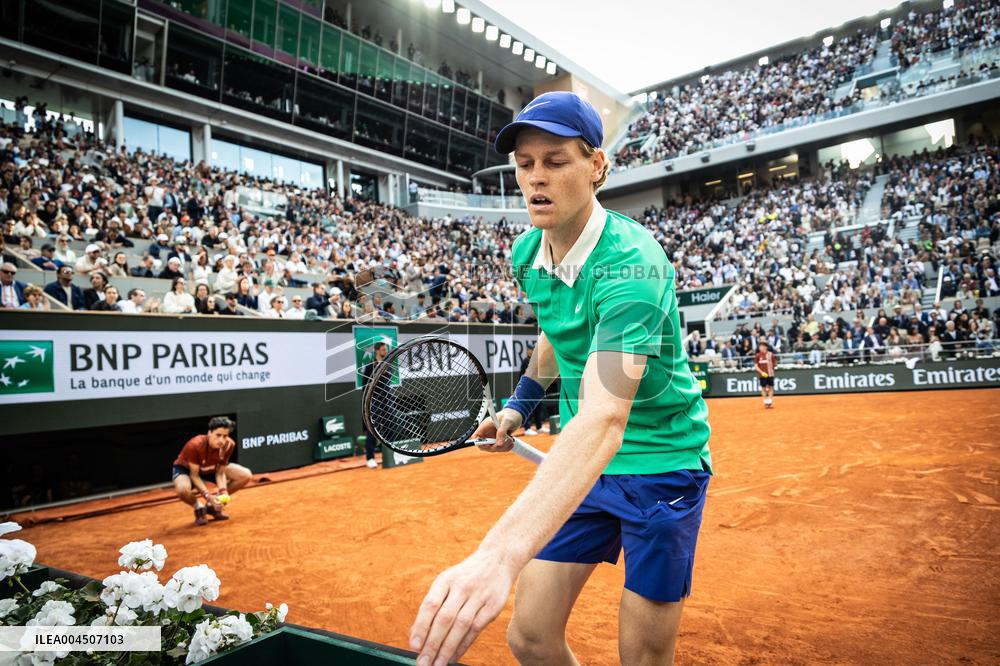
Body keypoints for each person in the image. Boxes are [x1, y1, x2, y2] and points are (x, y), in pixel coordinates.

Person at [410, 92, 712, 666]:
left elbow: (605, 416)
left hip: (661, 465)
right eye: (525, 164)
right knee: (529, 637)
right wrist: (520, 406)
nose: (536, 178)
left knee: (643, 660)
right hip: (584, 466)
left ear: (597, 165)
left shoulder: (633, 265)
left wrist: (499, 555)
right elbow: (557, 333)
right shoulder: (527, 252)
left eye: (555, 161)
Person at [171, 416, 252, 526]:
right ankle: (199, 508)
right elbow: (194, 475)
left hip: (211, 467)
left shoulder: (229, 445)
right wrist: (208, 496)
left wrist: (223, 493)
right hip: (187, 469)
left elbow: (220, 472)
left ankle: (212, 507)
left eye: (225, 436)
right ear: (209, 433)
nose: (221, 440)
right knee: (182, 489)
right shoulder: (195, 445)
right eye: (218, 435)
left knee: (245, 475)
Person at [359, 341, 389, 469]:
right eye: (383, 349)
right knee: (372, 431)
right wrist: (370, 402)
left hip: (387, 401)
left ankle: (390, 456)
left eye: (386, 349)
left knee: (389, 429)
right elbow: (364, 386)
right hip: (374, 403)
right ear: (377, 351)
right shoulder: (370, 366)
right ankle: (370, 458)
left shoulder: (387, 364)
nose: (385, 351)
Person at [754, 341, 777, 408]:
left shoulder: (771, 354)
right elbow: (756, 366)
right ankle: (765, 402)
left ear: (765, 347)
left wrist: (771, 370)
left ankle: (770, 401)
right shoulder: (757, 355)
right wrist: (762, 372)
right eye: (760, 346)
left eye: (762, 346)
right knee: (763, 388)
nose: (760, 348)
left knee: (771, 387)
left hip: (770, 374)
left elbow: (774, 363)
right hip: (762, 375)